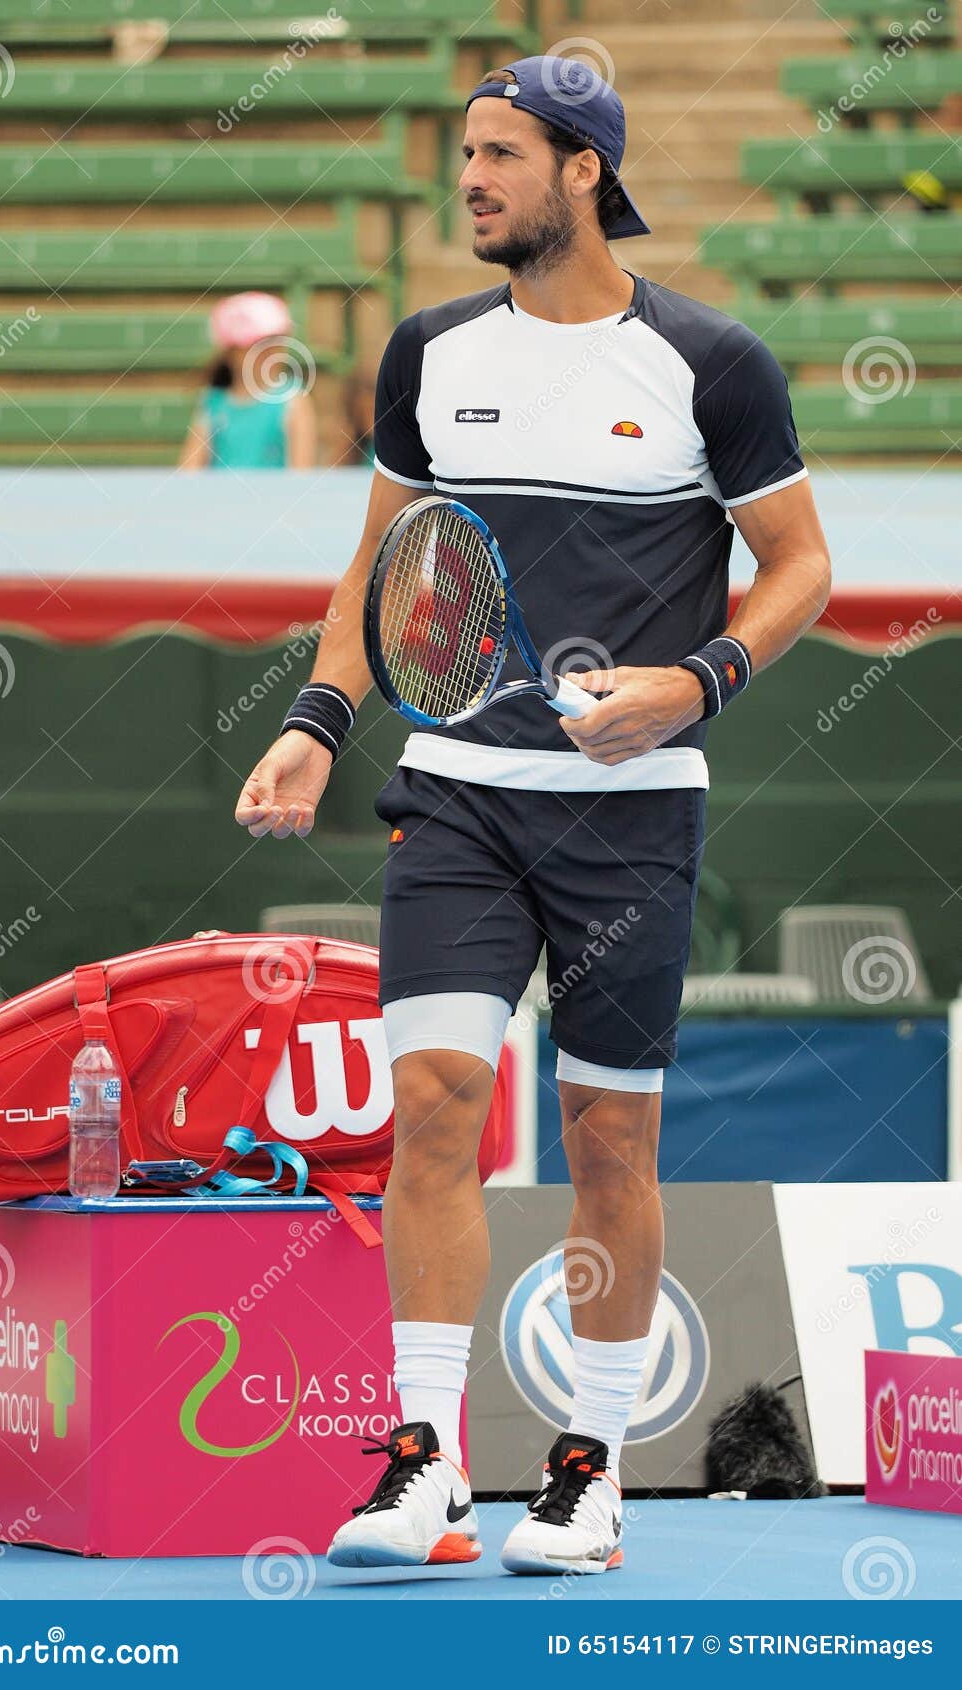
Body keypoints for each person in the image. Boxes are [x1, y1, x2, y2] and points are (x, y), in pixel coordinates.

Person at [234, 55, 832, 1576]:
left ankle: (587, 1472)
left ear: (583, 170)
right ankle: (425, 1467)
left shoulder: (712, 363)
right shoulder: (428, 354)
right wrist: (313, 724)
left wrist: (693, 683)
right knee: (431, 1106)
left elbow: (799, 569)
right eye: (461, 157)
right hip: (455, 800)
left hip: (630, 814)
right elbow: (383, 570)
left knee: (604, 1139)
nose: (469, 182)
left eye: (499, 154)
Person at [179, 292, 316, 470]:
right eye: (256, 347)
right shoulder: (212, 403)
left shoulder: (294, 402)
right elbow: (189, 470)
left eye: (275, 344)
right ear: (230, 353)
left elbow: (301, 474)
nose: (268, 355)